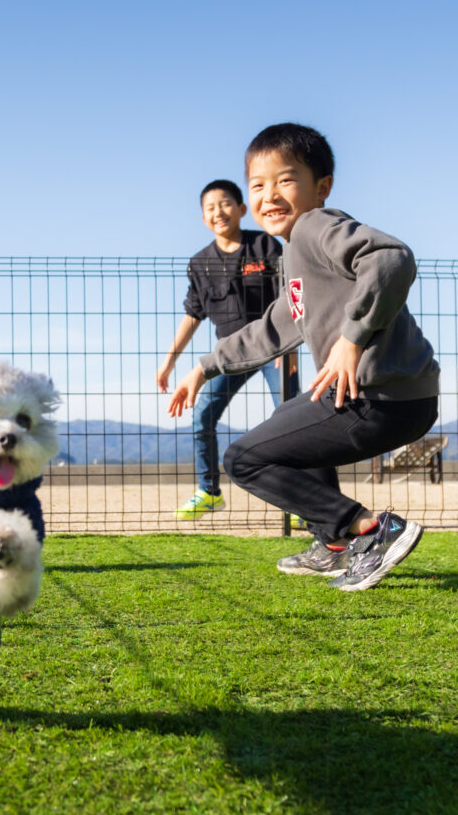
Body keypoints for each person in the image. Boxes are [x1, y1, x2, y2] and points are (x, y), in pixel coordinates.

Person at [167, 124, 440, 592]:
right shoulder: (294, 253)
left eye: (285, 180)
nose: (269, 194)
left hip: (381, 396)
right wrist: (205, 365)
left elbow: (392, 258)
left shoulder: (316, 227)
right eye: (258, 185)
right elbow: (274, 326)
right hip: (391, 396)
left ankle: (370, 530)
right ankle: (334, 546)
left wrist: (352, 338)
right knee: (290, 424)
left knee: (244, 459)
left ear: (322, 187)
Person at [157, 180, 299, 519]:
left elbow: (291, 298)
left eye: (224, 204)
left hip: (274, 348)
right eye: (210, 207)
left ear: (241, 209)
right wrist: (168, 363)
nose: (217, 212)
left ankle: (302, 500)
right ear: (203, 216)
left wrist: (290, 349)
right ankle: (208, 491)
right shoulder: (200, 263)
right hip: (228, 355)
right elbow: (193, 315)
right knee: (201, 417)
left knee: (296, 419)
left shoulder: (267, 246)